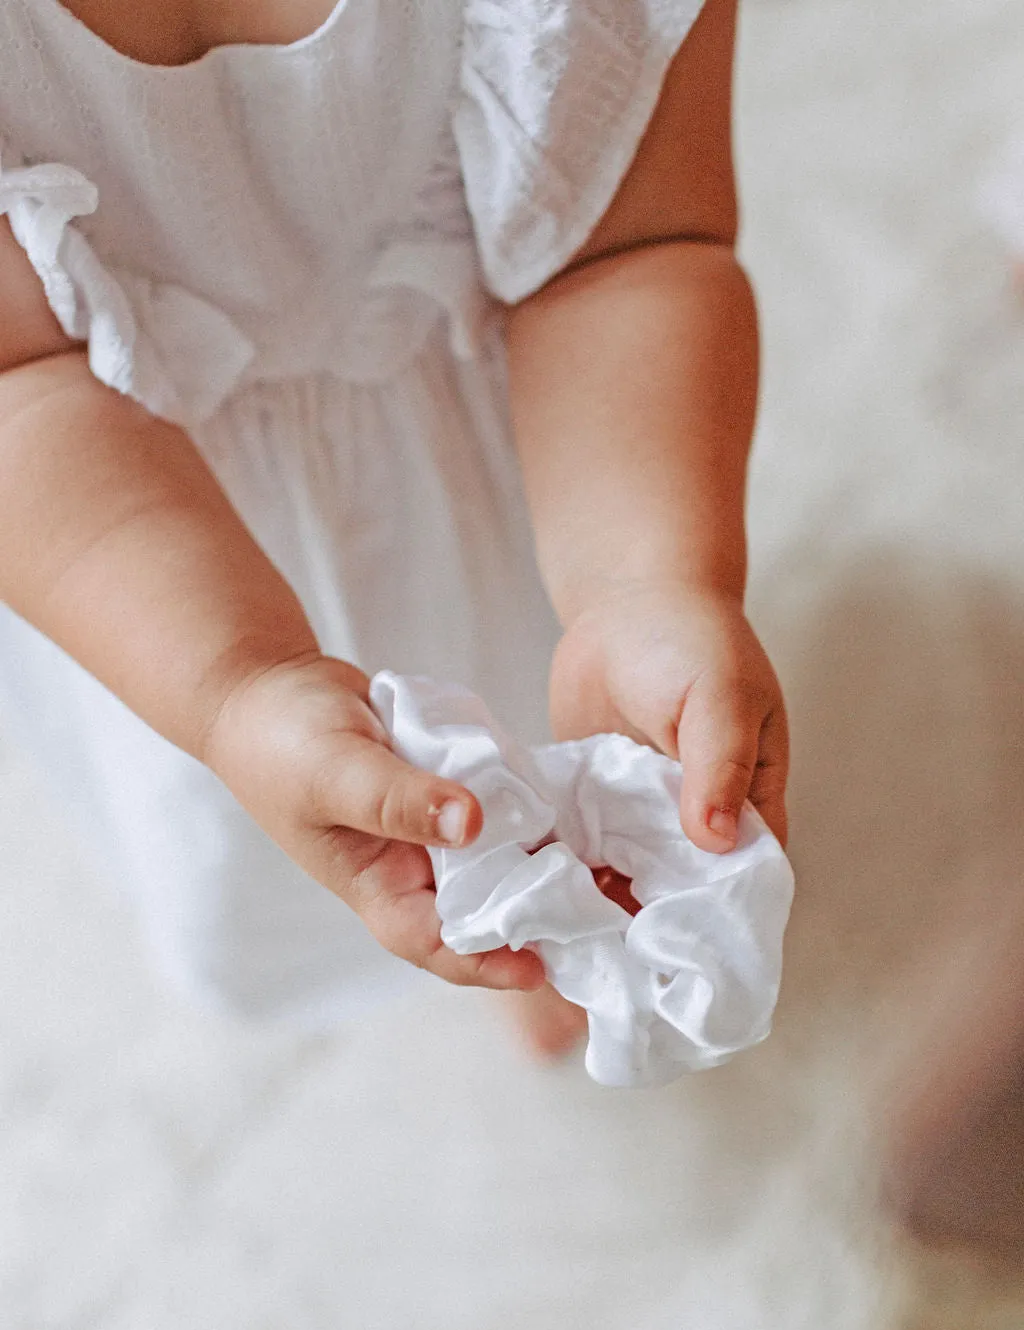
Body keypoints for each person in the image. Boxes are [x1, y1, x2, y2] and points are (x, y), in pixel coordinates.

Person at [0, 0, 788, 1053]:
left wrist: (641, 583)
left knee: (550, 716)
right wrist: (237, 688)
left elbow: (629, 249)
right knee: (319, 816)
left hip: (535, 454)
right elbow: (20, 391)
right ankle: (510, 921)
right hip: (150, 561)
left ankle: (558, 923)